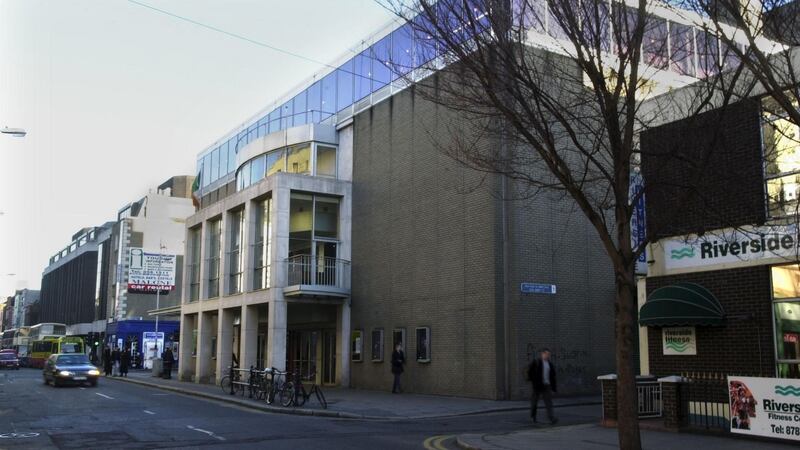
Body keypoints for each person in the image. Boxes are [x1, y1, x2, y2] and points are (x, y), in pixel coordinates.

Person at [528, 348, 558, 425]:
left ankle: (552, 418)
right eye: (546, 354)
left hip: (546, 385)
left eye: (549, 354)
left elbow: (552, 376)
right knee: (534, 402)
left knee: (549, 403)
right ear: (542, 354)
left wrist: (553, 387)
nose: (548, 356)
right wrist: (534, 382)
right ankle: (533, 416)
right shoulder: (536, 362)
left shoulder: (549, 364)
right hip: (538, 386)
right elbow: (530, 372)